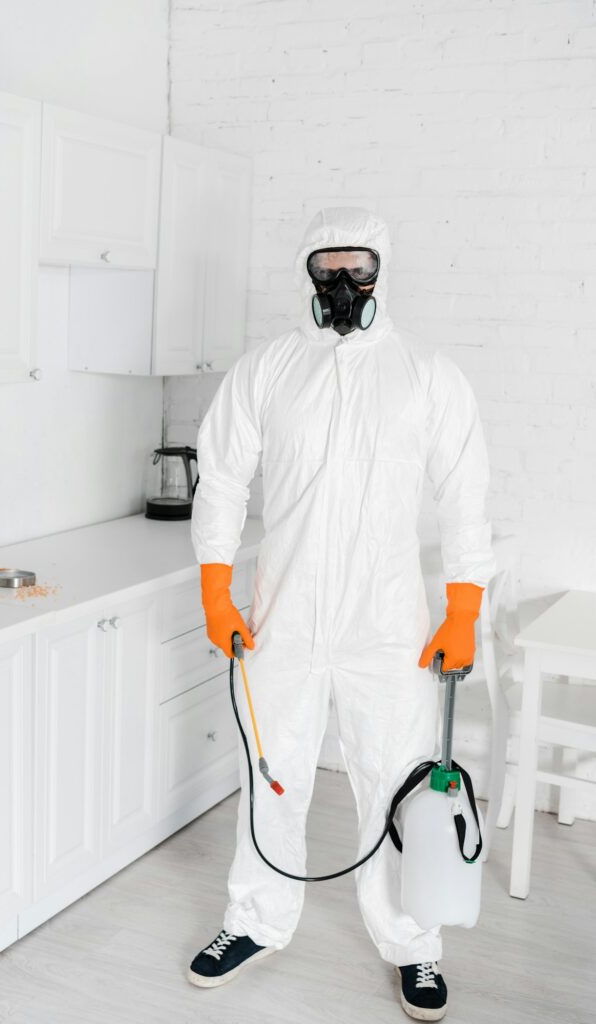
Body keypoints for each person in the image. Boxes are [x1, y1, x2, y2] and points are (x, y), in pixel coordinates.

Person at [187, 207, 496, 1022]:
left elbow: (465, 495)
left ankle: (412, 945)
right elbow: (220, 479)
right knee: (270, 774)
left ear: (381, 270)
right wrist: (217, 590)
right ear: (308, 272)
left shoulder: (426, 374)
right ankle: (254, 921)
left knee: (395, 786)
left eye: (358, 267)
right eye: (329, 267)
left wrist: (463, 604)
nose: (344, 283)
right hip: (281, 616)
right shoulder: (267, 370)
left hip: (387, 624)